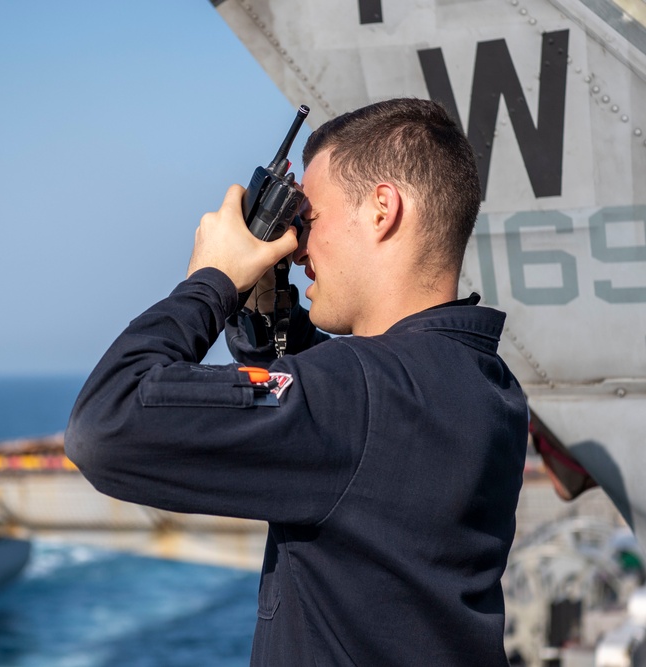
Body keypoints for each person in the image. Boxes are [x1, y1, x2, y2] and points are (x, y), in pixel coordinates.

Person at [64, 98, 529, 666]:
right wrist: (265, 305)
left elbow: (107, 426)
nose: (299, 247)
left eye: (309, 221)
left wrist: (212, 282)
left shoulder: (361, 396)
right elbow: (355, 428)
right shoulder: (487, 385)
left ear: (383, 209)